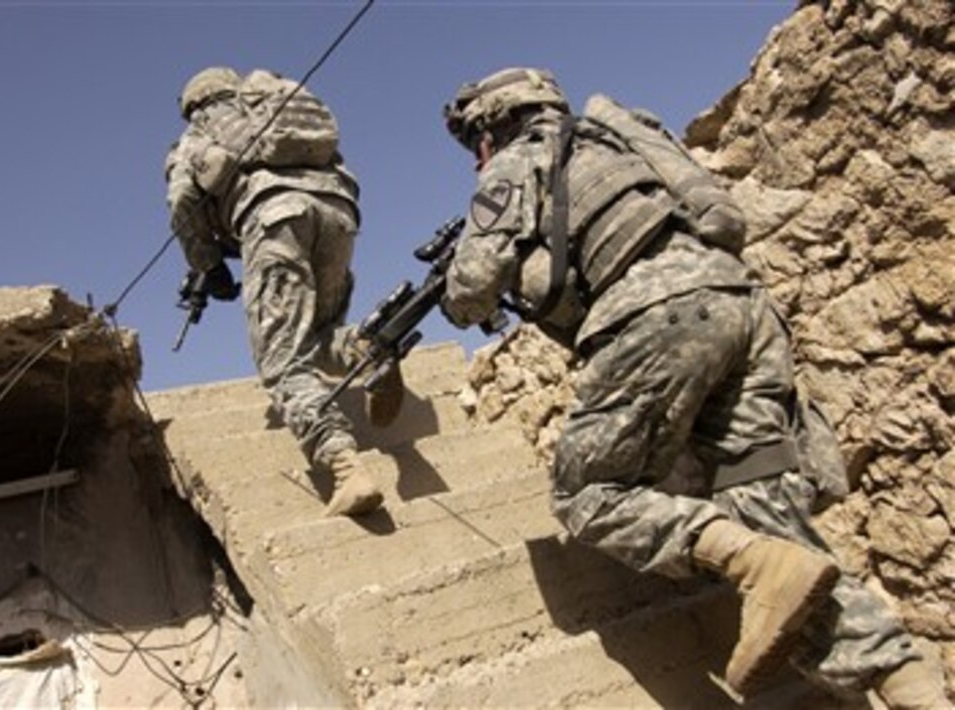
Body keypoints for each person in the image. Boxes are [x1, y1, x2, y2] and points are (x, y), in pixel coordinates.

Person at [438, 67, 947, 707]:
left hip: (663, 316)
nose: (476, 158)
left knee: (588, 489)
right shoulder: (620, 136)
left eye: (475, 144)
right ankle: (909, 684)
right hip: (742, 306)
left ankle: (747, 564)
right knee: (760, 504)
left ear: (494, 124)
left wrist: (463, 296)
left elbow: (472, 284)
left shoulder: (517, 163)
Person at [164, 66, 403, 517]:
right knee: (317, 336)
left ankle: (345, 466)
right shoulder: (272, 111)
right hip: (339, 212)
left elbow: (182, 203)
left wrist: (210, 268)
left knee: (281, 361)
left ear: (193, 105)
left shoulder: (197, 136)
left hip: (275, 220)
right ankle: (365, 349)